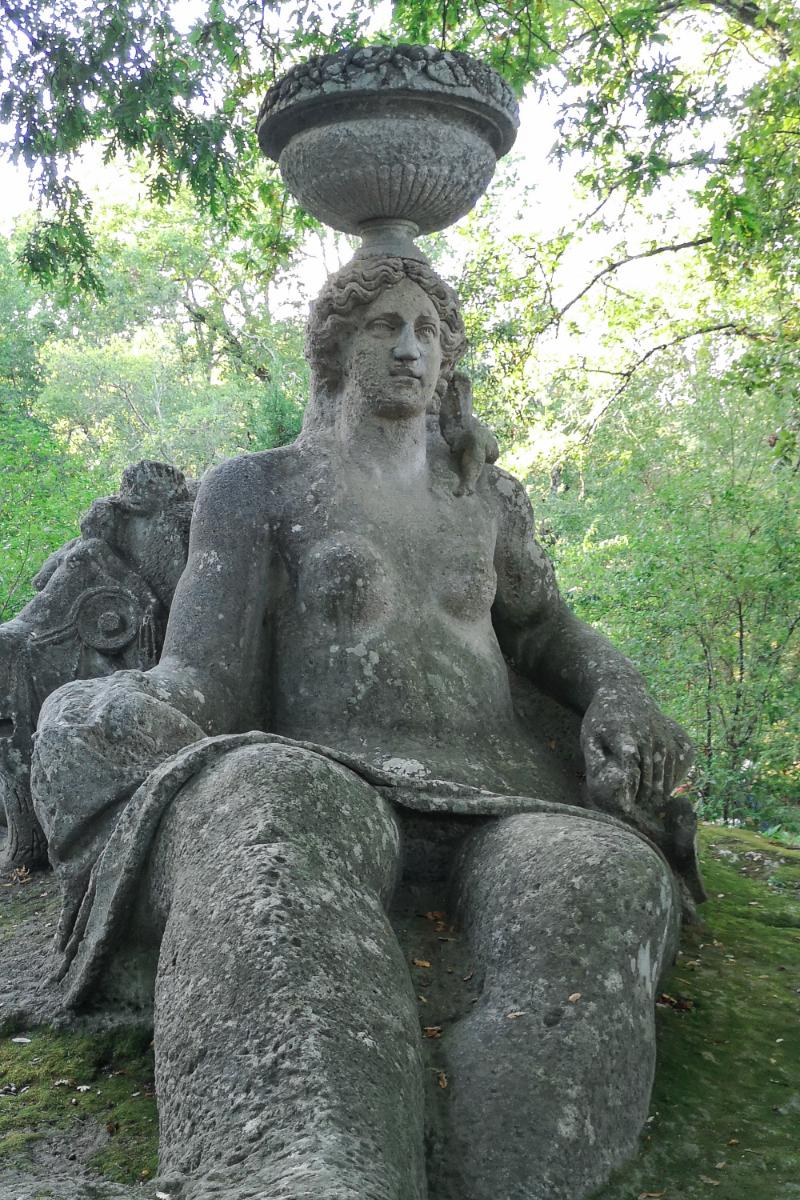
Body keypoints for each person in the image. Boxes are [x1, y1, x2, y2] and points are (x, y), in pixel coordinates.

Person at [32, 254, 697, 1200]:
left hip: (505, 793)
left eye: (427, 331)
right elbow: (204, 675)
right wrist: (119, 709)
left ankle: (512, 1174)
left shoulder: (488, 501)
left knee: (601, 884)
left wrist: (621, 691)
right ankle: (306, 1168)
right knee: (269, 834)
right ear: (336, 348)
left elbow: (549, 631)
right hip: (330, 771)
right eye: (385, 325)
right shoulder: (256, 489)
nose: (409, 347)